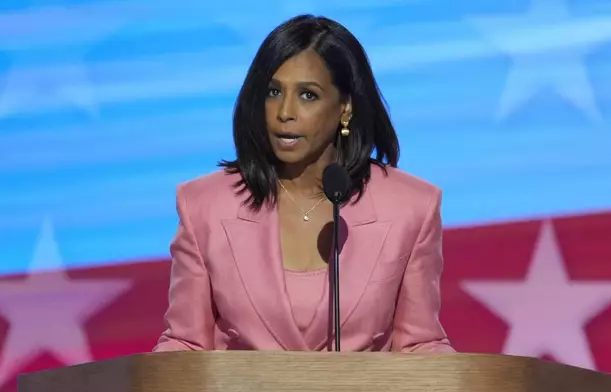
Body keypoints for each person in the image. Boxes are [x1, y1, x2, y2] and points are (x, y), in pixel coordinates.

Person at [153, 14, 455, 353]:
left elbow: (420, 346)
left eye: (308, 95)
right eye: (273, 91)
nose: (284, 112)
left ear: (345, 107)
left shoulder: (411, 208)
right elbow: (185, 346)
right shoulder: (204, 206)